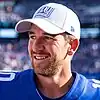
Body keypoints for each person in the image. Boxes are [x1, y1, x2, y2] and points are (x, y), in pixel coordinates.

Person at [0, 3, 100, 100]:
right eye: (33, 37)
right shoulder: (4, 87)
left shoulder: (95, 94)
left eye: (47, 37)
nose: (36, 46)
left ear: (72, 45)